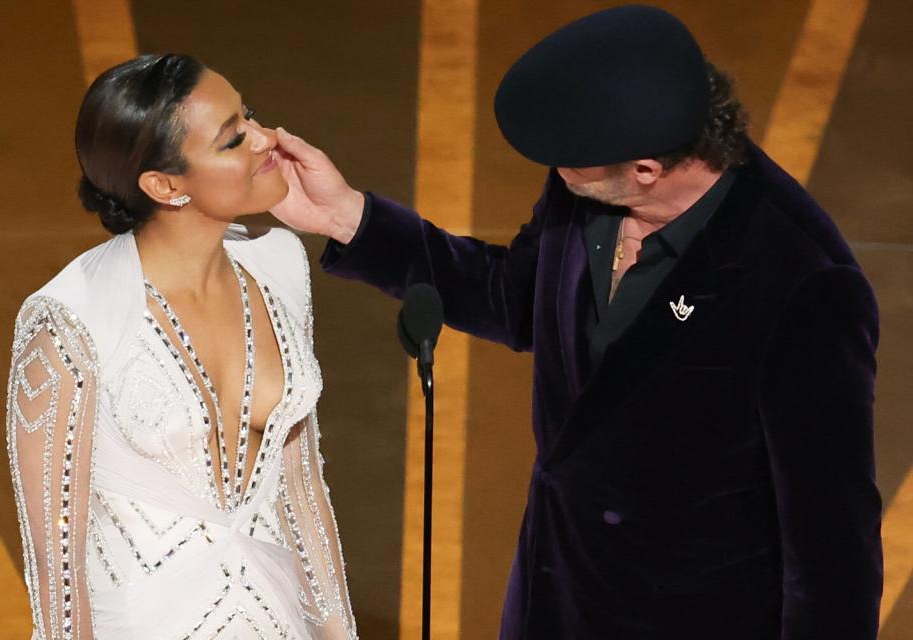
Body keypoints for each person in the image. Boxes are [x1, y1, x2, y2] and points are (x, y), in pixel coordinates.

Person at [268, 5, 882, 639]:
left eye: (571, 164)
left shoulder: (804, 285)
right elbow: (513, 297)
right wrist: (348, 218)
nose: (557, 169)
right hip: (552, 602)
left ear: (647, 168)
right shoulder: (592, 175)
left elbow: (832, 553)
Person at [5, 54, 356, 639]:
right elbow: (56, 567)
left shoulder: (281, 267)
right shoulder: (68, 320)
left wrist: (338, 633)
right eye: (233, 139)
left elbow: (300, 488)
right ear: (165, 185)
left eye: (251, 117)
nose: (267, 139)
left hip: (276, 618)